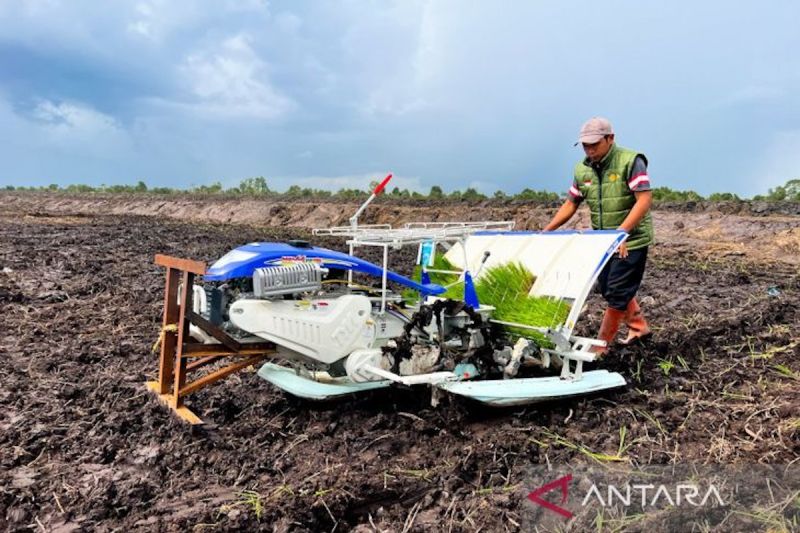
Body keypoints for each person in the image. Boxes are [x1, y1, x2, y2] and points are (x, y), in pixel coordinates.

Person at [543, 117, 653, 355]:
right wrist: (547, 231)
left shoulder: (631, 161)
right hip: (603, 240)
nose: (590, 150)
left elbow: (644, 200)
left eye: (595, 144)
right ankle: (638, 327)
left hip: (630, 239)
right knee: (607, 287)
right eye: (585, 145)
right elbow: (571, 204)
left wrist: (621, 233)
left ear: (610, 139)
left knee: (616, 291)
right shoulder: (582, 169)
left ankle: (601, 346)